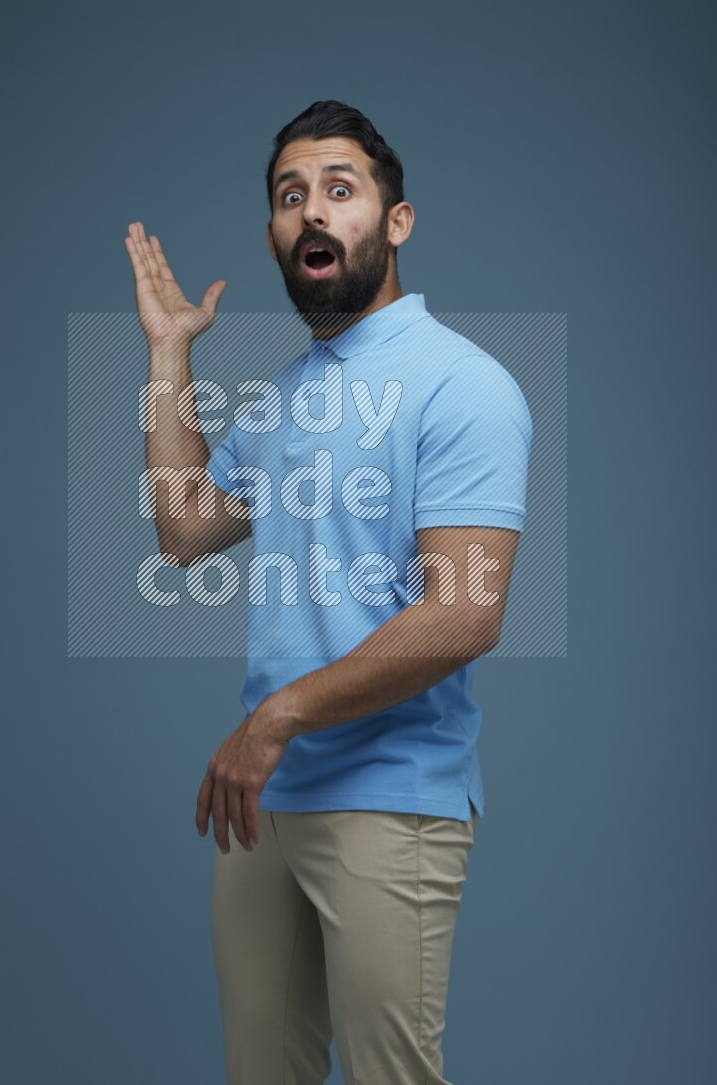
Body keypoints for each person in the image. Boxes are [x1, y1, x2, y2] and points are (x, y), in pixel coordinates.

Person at [125, 100, 533, 1085]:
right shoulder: (278, 400)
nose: (311, 209)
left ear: (396, 221)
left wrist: (274, 717)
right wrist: (170, 353)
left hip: (391, 796)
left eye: (339, 189)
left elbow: (464, 614)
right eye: (289, 194)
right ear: (274, 235)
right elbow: (182, 530)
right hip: (265, 803)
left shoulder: (462, 384)